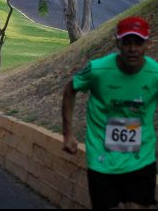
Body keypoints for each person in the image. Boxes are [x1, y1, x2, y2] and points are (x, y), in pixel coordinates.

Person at [62, 16, 158, 210]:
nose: (132, 49)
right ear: (117, 43)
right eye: (127, 42)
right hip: (102, 158)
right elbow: (70, 89)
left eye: (138, 42)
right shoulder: (98, 70)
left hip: (141, 156)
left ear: (148, 44)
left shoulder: (155, 74)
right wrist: (68, 134)